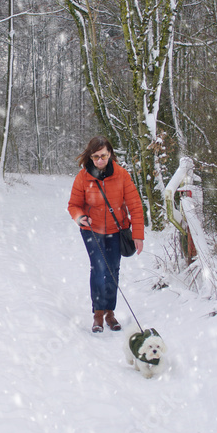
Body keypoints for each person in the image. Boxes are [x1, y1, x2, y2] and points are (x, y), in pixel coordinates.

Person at [67, 136, 145, 333]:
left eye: (103, 156)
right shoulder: (83, 177)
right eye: (95, 157)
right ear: (90, 157)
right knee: (98, 268)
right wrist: (80, 217)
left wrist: (138, 235)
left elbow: (135, 206)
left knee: (113, 270)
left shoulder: (121, 175)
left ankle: (110, 312)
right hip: (91, 230)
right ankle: (98, 314)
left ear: (110, 154)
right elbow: (74, 205)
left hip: (116, 230)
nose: (99, 160)